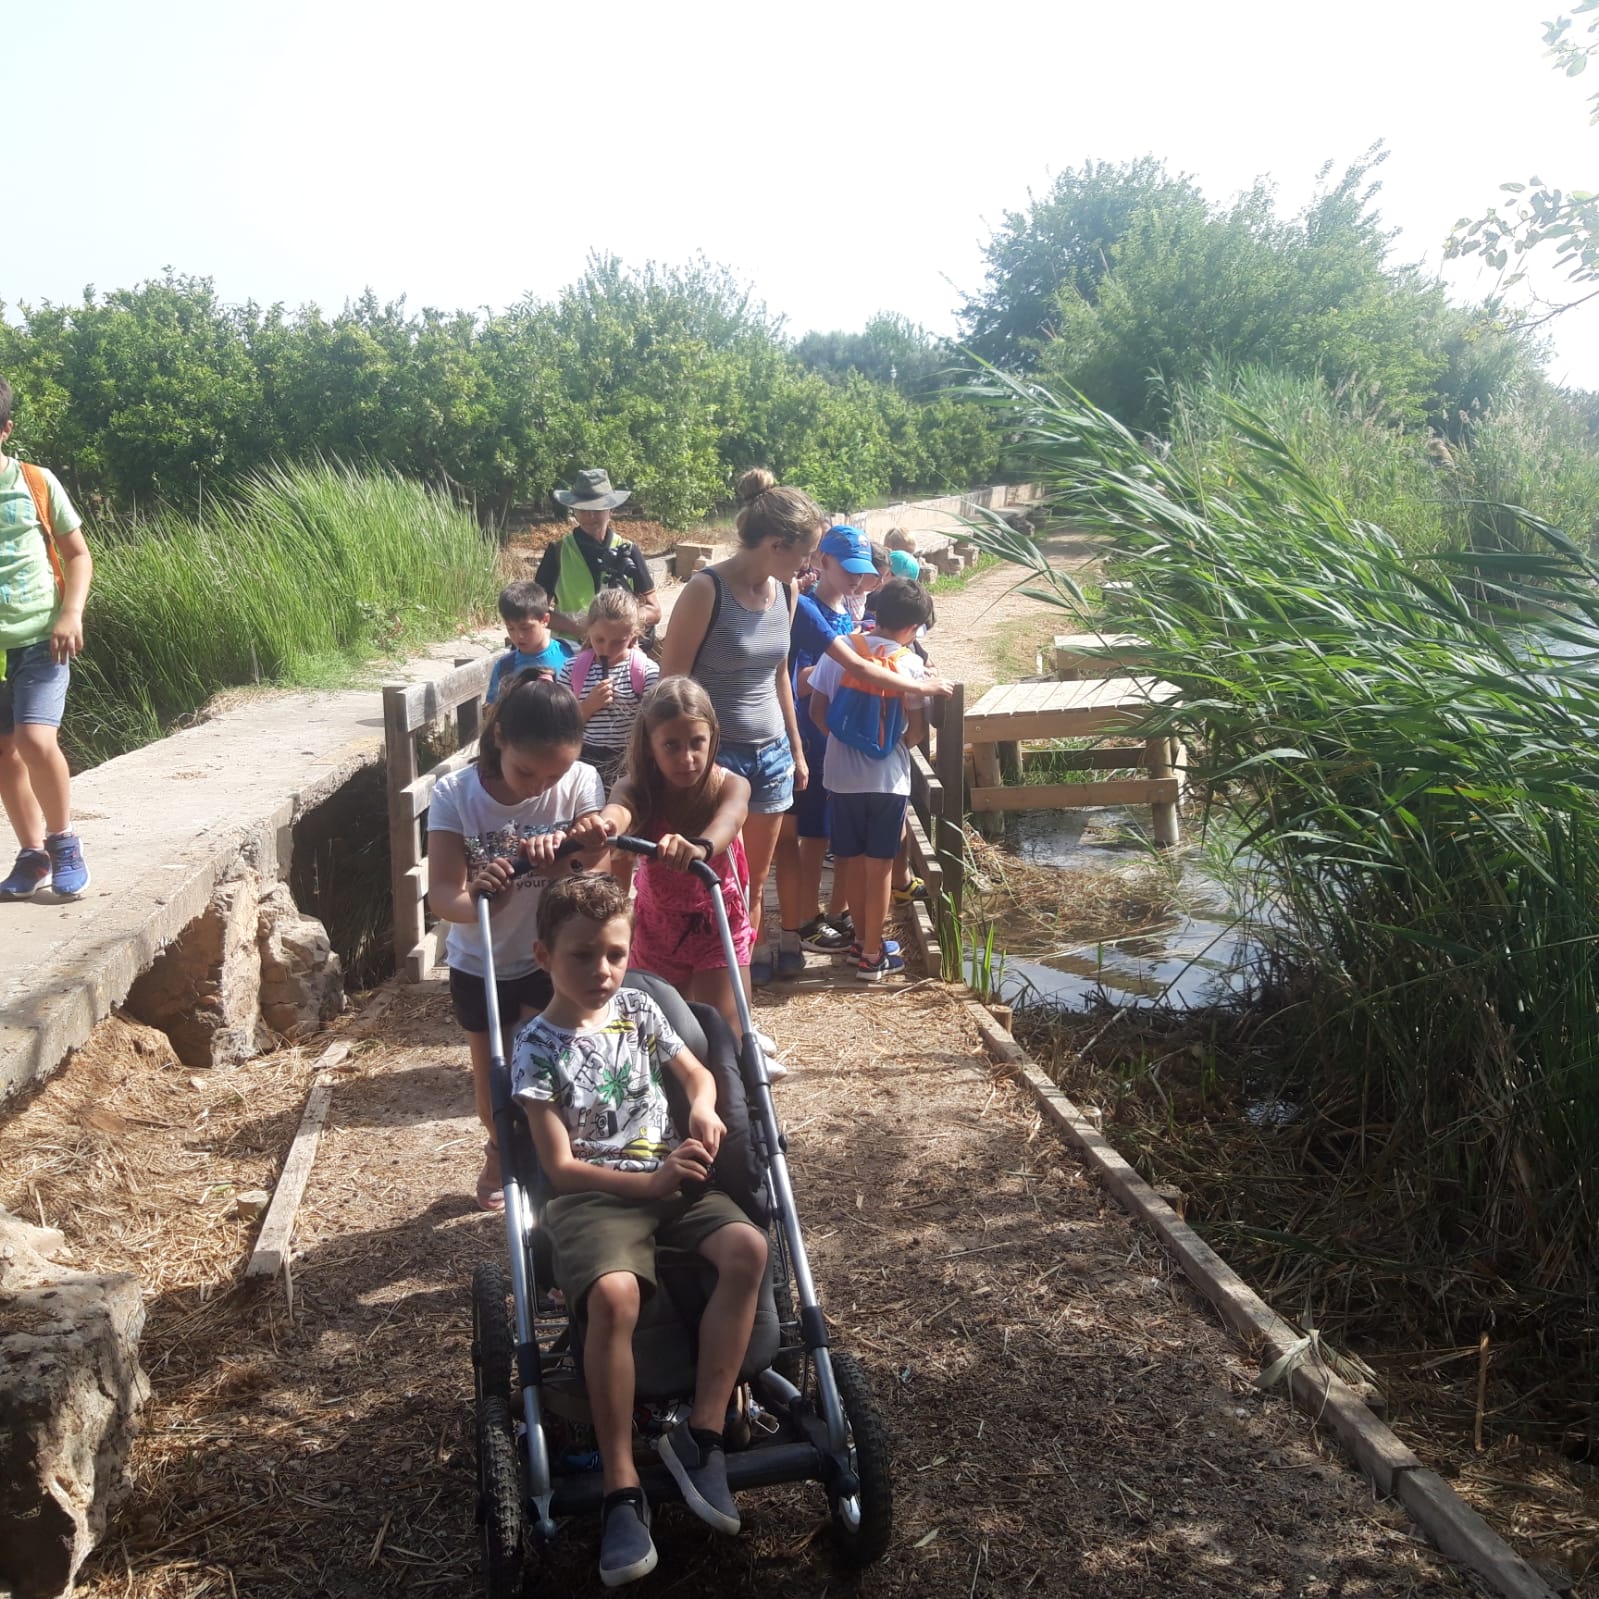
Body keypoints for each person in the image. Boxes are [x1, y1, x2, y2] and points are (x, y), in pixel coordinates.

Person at [513, 872, 768, 1588]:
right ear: (543, 956)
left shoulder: (638, 1007)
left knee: (748, 1247)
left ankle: (702, 1434)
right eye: (582, 955)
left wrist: (703, 1107)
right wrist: (648, 1185)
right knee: (616, 1295)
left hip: (671, 1178)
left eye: (616, 954)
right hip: (593, 1198)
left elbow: (697, 1073)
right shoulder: (535, 1047)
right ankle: (622, 1486)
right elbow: (559, 1169)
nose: (603, 970)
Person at [426, 673, 606, 1209]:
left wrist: (563, 863)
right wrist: (488, 897)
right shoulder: (455, 794)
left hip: (549, 961)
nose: (539, 788)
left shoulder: (581, 782)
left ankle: (550, 1168)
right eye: (527, 771)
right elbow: (444, 898)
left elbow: (597, 872)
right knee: (494, 1086)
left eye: (555, 774)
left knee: (549, 1074)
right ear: (499, 736)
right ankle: (499, 1148)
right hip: (481, 961)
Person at [659, 469, 821, 988]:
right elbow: (672, 686)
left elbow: (780, 674)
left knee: (753, 881)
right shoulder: (705, 590)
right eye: (804, 554)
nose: (808, 566)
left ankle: (740, 990)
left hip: (770, 755)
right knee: (709, 879)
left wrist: (796, 749)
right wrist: (680, 763)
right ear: (775, 545)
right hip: (715, 759)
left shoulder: (787, 591)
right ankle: (698, 990)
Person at [569, 676, 768, 1051]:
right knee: (659, 1044)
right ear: (649, 745)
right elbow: (619, 812)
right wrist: (604, 827)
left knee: (728, 1042)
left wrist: (700, 848)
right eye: (671, 745)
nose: (686, 758)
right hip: (657, 931)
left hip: (717, 924)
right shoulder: (635, 788)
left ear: (713, 739)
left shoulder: (731, 785)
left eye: (697, 743)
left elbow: (730, 820)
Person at [807, 578, 934, 980]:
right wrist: (886, 748)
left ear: (876, 613)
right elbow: (917, 730)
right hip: (886, 781)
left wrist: (844, 741)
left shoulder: (842, 652)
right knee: (879, 869)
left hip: (840, 778)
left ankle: (860, 942)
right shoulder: (910, 666)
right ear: (912, 628)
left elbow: (816, 712)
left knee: (851, 861)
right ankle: (873, 955)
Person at [0, 378, 94, 900]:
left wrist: (71, 613)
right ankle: (32, 855)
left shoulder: (35, 481)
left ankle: (63, 843)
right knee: (3, 753)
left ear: (6, 430)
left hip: (41, 637)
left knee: (35, 742)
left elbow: (77, 554)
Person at [771, 525, 879, 969]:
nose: (856, 579)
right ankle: (803, 920)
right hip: (804, 733)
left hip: (830, 737)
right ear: (823, 562)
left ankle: (827, 913)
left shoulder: (845, 612)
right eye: (848, 570)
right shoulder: (805, 609)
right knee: (806, 835)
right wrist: (850, 670)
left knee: (824, 832)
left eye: (861, 572)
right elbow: (792, 678)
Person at [536, 469, 662, 645]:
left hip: (618, 648)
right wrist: (580, 628)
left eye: (597, 509)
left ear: (611, 510)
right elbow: (537, 611)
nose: (590, 516)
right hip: (571, 648)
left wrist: (617, 625)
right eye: (583, 509)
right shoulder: (558, 551)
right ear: (574, 510)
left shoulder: (628, 550)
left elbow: (654, 610)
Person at [560, 588, 659, 793]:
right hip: (583, 761)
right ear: (588, 631)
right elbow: (560, 725)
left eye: (618, 642)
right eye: (599, 639)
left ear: (633, 635)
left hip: (628, 762)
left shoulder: (647, 672)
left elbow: (653, 728)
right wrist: (588, 707)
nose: (606, 649)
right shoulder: (572, 669)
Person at [485, 581, 570, 704]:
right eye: (510, 628)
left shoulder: (569, 656)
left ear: (545, 620)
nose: (518, 636)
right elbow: (493, 710)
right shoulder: (504, 667)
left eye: (525, 628)